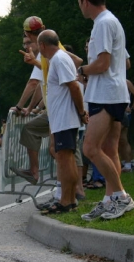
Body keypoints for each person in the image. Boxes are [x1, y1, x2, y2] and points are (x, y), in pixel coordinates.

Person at [77, 0, 134, 220]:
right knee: (110, 150)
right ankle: (109, 199)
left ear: (84, 2)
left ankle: (121, 196)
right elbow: (125, 63)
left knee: (90, 148)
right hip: (115, 93)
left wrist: (82, 69)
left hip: (105, 94)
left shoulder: (102, 23)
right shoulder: (112, 21)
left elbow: (102, 65)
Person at [11, 16, 83, 186]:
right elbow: (45, 79)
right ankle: (68, 191)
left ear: (27, 33)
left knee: (63, 151)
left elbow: (37, 82)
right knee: (62, 150)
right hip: (58, 107)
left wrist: (80, 111)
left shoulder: (52, 51)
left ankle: (72, 190)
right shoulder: (50, 50)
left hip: (62, 107)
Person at [36, 30, 87, 214]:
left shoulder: (58, 59)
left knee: (65, 160)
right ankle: (70, 199)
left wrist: (81, 112)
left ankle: (66, 200)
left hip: (65, 118)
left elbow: (73, 86)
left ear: (42, 45)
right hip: (62, 119)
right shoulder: (58, 59)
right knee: (67, 159)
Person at [119, 79, 134, 172]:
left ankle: (128, 164)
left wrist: (132, 108)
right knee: (121, 139)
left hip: (123, 113)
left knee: (120, 139)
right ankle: (129, 162)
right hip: (119, 112)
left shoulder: (125, 82)